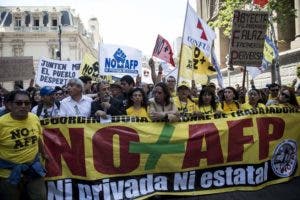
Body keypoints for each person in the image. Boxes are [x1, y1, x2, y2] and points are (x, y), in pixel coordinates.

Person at [0, 90, 47, 200]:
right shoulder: (1, 123)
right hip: (8, 175)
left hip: (34, 169)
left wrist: (44, 154)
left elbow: (39, 138)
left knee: (40, 197)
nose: (23, 106)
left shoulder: (34, 118)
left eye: (27, 103)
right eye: (19, 103)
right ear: (9, 105)